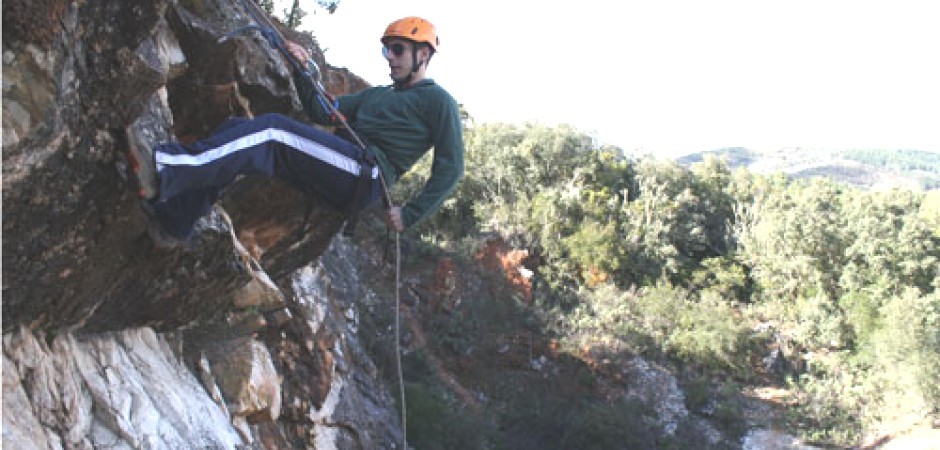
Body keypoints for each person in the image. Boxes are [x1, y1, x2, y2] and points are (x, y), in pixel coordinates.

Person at [128, 16, 464, 246]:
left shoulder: (438, 101)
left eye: (398, 49)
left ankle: (168, 171)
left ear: (423, 54)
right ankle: (176, 218)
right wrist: (301, 70)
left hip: (366, 174)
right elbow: (322, 110)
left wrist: (411, 214)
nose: (389, 57)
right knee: (240, 132)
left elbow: (451, 167)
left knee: (273, 133)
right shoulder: (378, 95)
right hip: (346, 164)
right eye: (386, 49)